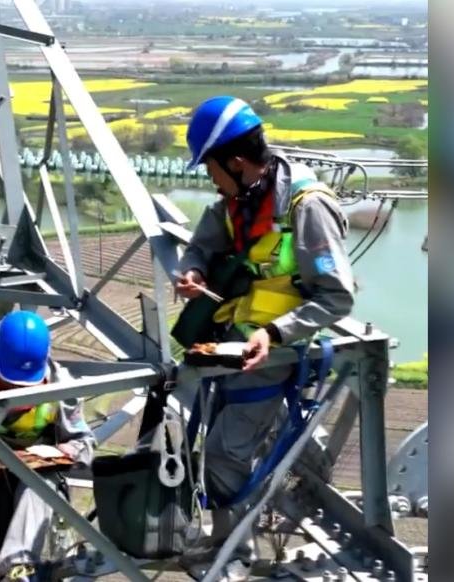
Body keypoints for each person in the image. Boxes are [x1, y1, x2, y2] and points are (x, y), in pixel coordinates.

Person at [174, 96, 355, 580]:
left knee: (226, 452)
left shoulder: (306, 208)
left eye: (211, 168)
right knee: (224, 446)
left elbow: (337, 298)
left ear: (235, 162)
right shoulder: (241, 200)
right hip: (235, 347)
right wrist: (190, 271)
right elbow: (202, 244)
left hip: (275, 354)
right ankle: (227, 541)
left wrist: (274, 334)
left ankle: (234, 553)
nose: (209, 179)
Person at [0, 310, 95, 582]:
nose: (18, 394)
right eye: (10, 383)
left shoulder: (61, 386)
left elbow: (85, 444)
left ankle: (15, 567)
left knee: (45, 482)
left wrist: (65, 453)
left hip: (26, 485)